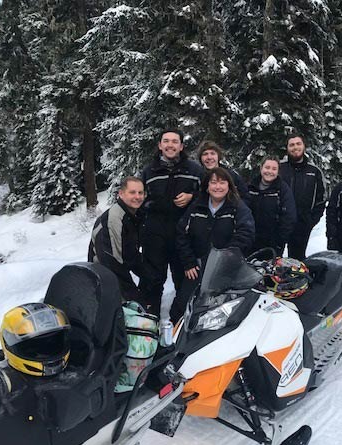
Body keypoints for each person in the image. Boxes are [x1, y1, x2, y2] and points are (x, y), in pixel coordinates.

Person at [172, 167, 255, 322]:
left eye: (222, 182)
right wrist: (188, 261)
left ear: (229, 185)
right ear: (207, 186)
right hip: (197, 267)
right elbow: (181, 233)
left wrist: (228, 256)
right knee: (181, 306)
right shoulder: (197, 206)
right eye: (214, 182)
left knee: (221, 310)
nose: (218, 187)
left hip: (226, 269)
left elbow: (246, 233)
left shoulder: (237, 207)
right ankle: (175, 338)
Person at [139, 129, 204, 316]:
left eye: (175, 141)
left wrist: (192, 197)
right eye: (166, 141)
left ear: (181, 146)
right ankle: (149, 327)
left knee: (185, 284)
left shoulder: (194, 170)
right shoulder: (148, 171)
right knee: (152, 284)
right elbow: (139, 201)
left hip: (183, 239)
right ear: (160, 145)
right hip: (155, 238)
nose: (170, 145)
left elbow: (207, 197)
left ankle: (181, 325)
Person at [88, 176, 156, 304]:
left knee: (153, 280)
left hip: (122, 264)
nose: (137, 196)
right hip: (104, 275)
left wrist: (150, 275)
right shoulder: (114, 218)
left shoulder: (134, 215)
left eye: (140, 193)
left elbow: (131, 251)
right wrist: (133, 295)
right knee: (134, 305)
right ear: (121, 194)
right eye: (132, 192)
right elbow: (113, 262)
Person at [279, 133, 326, 260]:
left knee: (297, 263)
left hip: (302, 224)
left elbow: (321, 199)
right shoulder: (279, 169)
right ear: (287, 148)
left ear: (304, 146)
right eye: (292, 145)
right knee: (273, 261)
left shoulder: (314, 171)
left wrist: (311, 220)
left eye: (298, 144)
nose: (295, 147)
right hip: (279, 224)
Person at [246, 156, 297, 257]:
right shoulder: (251, 187)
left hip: (272, 245)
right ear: (261, 168)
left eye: (274, 169)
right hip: (249, 241)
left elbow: (289, 218)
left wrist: (279, 242)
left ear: (278, 171)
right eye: (267, 167)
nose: (270, 171)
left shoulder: (283, 190)